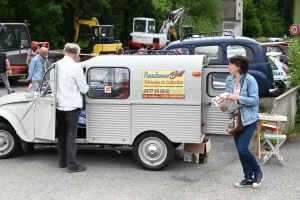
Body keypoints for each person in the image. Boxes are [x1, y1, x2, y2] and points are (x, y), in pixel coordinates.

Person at [220, 55, 263, 188]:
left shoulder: (250, 80)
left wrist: (238, 98)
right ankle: (247, 178)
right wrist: (224, 105)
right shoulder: (229, 80)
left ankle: (258, 171)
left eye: (231, 64)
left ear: (238, 66)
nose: (229, 66)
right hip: (235, 118)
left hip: (248, 119)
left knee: (243, 149)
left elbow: (255, 100)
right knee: (240, 151)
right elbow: (228, 97)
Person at [56, 43, 89, 173]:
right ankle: (72, 165)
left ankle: (62, 161)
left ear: (65, 52)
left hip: (59, 105)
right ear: (76, 54)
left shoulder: (56, 65)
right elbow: (84, 88)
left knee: (62, 134)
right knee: (71, 135)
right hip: (72, 105)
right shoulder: (76, 67)